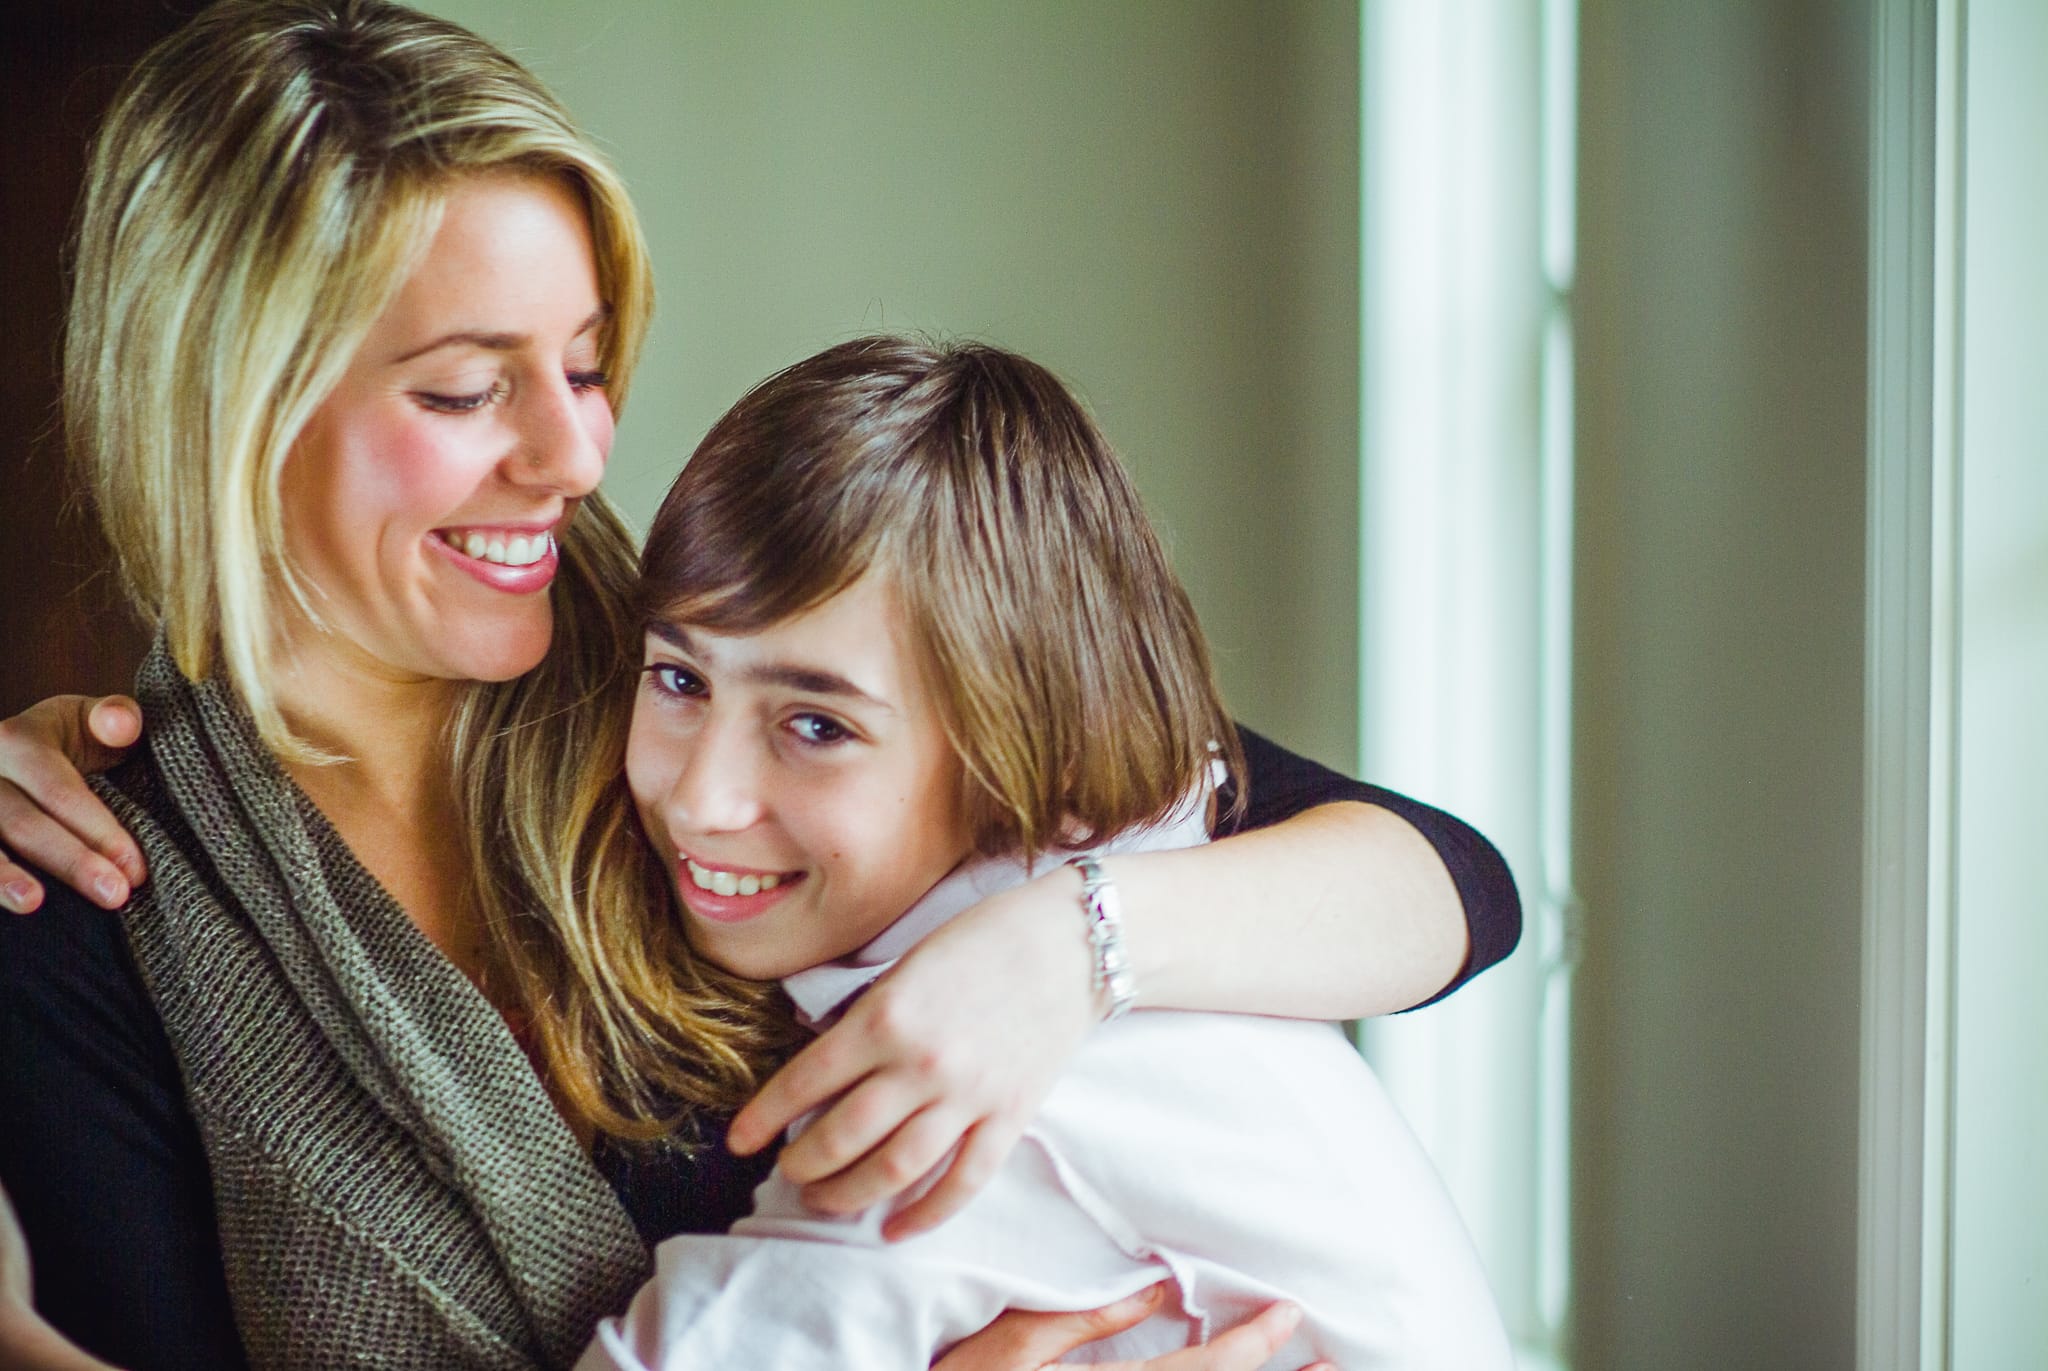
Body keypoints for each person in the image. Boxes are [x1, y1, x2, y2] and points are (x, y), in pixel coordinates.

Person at [0, 2, 1519, 1368]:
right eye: (465, 389)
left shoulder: (723, 677)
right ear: (225, 407)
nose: (575, 457)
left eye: (585, 366)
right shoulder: (79, 904)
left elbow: (1452, 885)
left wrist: (1067, 946)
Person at [565, 336, 1515, 1369]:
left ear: (1025, 750)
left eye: (818, 726)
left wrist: (1069, 946)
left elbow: (1471, 885)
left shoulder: (984, 1089)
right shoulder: (1131, 843)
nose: (701, 799)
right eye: (679, 679)